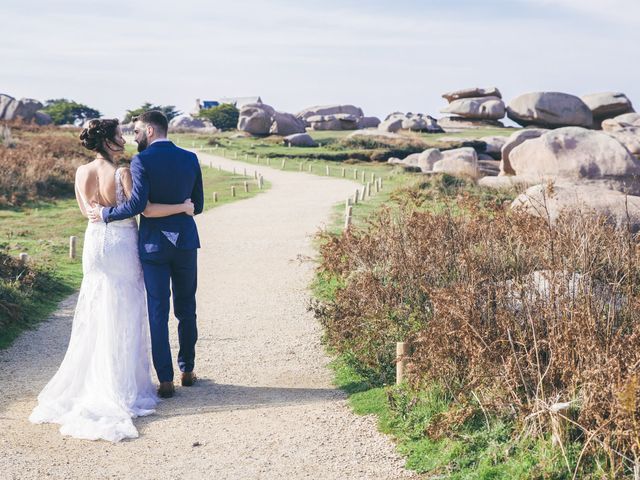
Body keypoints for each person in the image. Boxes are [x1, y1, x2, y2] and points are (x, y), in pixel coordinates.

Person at [29, 119, 194, 442]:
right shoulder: (122, 173)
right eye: (119, 135)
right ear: (107, 141)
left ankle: (90, 377)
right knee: (127, 308)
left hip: (94, 243)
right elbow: (139, 208)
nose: (124, 139)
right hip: (120, 242)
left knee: (95, 306)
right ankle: (120, 383)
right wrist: (181, 207)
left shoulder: (80, 172)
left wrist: (100, 215)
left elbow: (85, 212)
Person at [88, 111, 204, 399]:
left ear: (150, 130)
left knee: (157, 311)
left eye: (138, 131)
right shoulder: (190, 158)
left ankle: (165, 380)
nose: (134, 136)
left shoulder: (141, 160)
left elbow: (138, 205)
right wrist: (182, 206)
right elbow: (197, 205)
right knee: (187, 308)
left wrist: (106, 214)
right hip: (186, 243)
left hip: (154, 246)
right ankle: (187, 369)